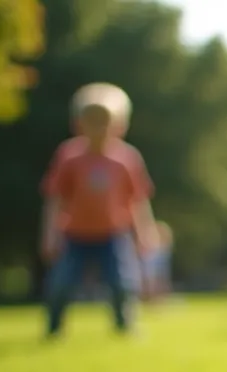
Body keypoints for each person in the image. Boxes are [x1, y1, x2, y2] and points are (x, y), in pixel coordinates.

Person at [40, 82, 157, 339]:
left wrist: (144, 233)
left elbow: (137, 200)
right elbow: (55, 199)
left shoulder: (127, 158)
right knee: (60, 283)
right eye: (91, 121)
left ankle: (124, 324)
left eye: (104, 121)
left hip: (113, 233)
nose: (98, 128)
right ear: (78, 124)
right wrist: (50, 235)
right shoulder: (69, 156)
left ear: (120, 125)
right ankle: (54, 327)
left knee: (122, 282)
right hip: (74, 234)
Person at [140, 220, 175, 304]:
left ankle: (159, 299)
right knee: (152, 281)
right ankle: (150, 299)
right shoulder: (152, 248)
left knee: (160, 281)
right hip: (152, 268)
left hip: (157, 268)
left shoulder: (163, 250)